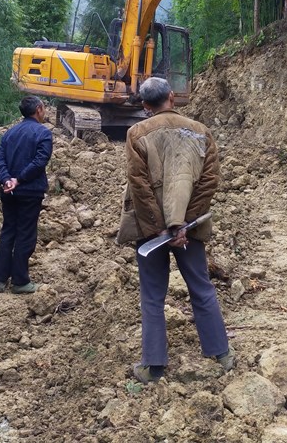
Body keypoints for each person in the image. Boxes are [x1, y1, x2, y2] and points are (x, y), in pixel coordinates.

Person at [118, 77, 234, 383]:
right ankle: (221, 354)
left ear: (145, 105)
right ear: (172, 96)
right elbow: (209, 181)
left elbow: (139, 186)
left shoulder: (136, 133)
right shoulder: (201, 132)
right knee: (201, 287)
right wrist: (183, 223)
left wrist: (160, 229)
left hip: (150, 232)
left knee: (152, 296)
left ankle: (153, 366)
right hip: (189, 229)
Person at [0, 95, 53, 294]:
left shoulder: (10, 133)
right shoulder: (43, 133)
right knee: (25, 234)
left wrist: (6, 180)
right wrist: (19, 180)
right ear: (39, 109)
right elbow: (39, 161)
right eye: (44, 108)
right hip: (30, 192)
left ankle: (0, 279)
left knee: (8, 230)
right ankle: (20, 281)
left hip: (8, 192)